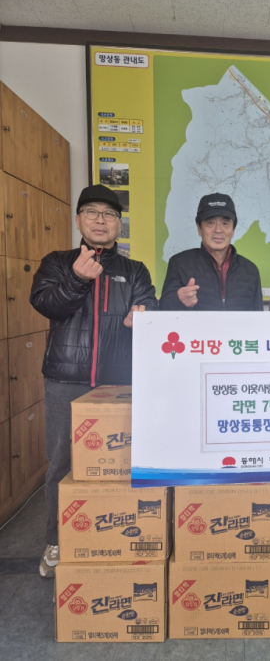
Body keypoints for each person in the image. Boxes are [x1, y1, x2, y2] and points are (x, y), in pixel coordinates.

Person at [30, 184, 157, 578]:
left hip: (120, 385)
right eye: (92, 212)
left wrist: (144, 317)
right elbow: (46, 304)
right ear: (79, 220)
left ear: (119, 223)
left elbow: (149, 307)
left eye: (109, 214)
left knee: (120, 466)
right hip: (65, 381)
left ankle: (112, 537)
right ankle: (57, 539)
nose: (101, 220)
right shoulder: (58, 262)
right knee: (61, 465)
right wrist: (77, 279)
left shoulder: (135, 270)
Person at [159, 193, 263, 311]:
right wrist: (178, 301)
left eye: (225, 223)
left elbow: (260, 318)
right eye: (210, 223)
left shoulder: (250, 270)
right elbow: (163, 310)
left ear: (233, 229)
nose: (218, 230)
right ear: (199, 228)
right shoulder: (179, 264)